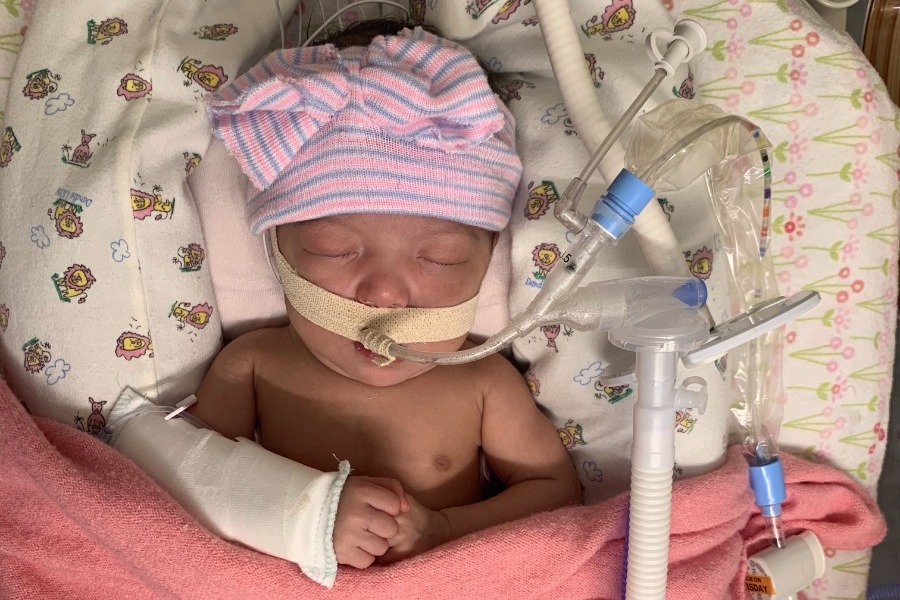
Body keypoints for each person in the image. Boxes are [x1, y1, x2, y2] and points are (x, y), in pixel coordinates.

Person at [191, 23, 581, 571]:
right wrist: (305, 517)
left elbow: (558, 494)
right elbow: (195, 483)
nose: (384, 294)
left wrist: (444, 530)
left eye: (440, 258)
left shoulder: (484, 382)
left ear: (487, 261)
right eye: (334, 249)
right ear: (277, 250)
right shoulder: (253, 364)